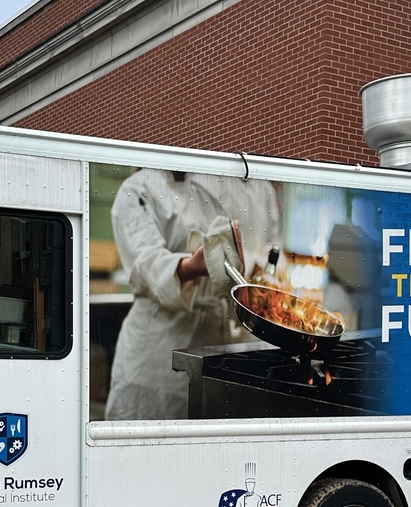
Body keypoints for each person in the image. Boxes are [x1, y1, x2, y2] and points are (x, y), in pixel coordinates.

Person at [106, 169, 281, 420]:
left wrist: (263, 273)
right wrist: (194, 266)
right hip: (160, 350)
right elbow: (146, 263)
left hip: (230, 346)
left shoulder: (258, 186)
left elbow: (271, 247)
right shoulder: (139, 187)